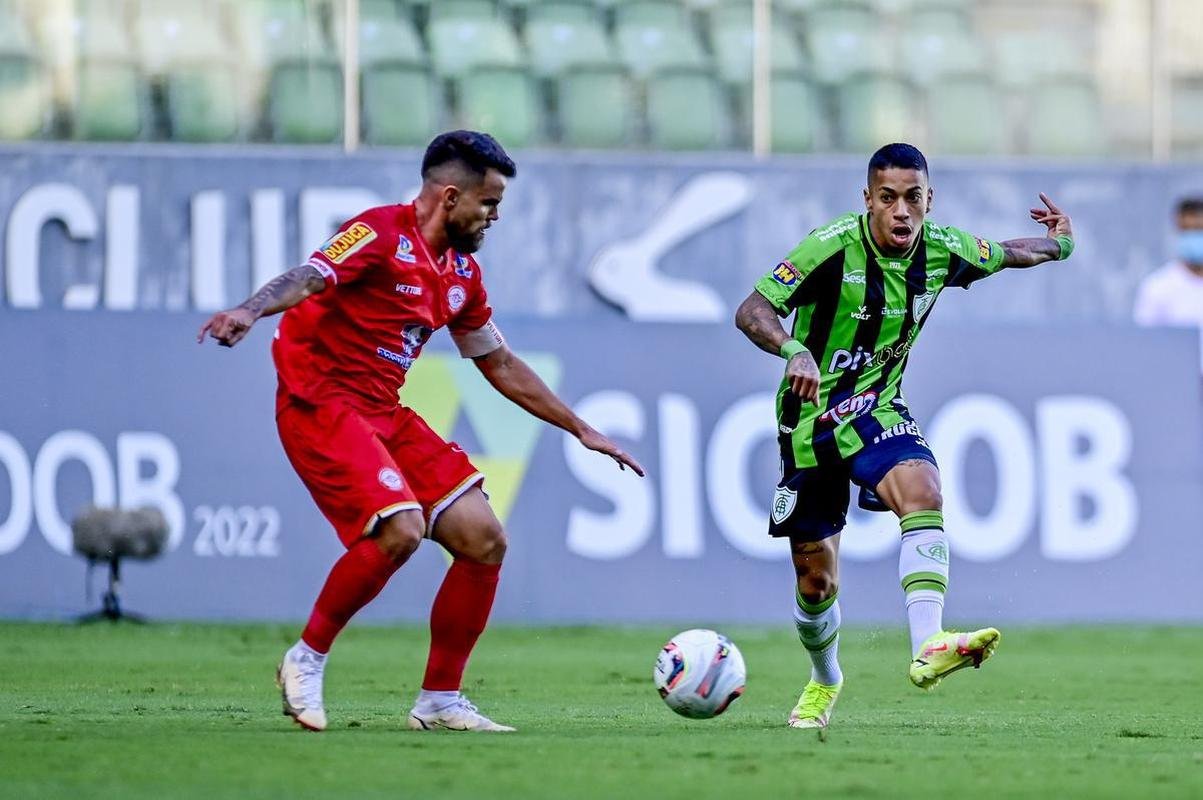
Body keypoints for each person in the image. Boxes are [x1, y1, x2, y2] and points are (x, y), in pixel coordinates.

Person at [198, 130, 644, 733]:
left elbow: (501, 364)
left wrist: (580, 428)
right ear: (451, 196)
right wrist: (250, 309)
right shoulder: (379, 232)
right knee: (400, 530)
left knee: (484, 539)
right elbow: (309, 276)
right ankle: (304, 659)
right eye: (489, 203)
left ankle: (439, 701)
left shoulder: (461, 274)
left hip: (382, 408)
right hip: (320, 400)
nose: (495, 216)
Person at [734, 142, 1074, 731]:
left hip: (877, 410)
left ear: (928, 200)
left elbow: (1011, 253)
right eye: (887, 198)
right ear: (867, 199)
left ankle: (929, 643)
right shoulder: (830, 246)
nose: (901, 212)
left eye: (912, 198)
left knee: (924, 491)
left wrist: (1060, 244)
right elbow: (753, 309)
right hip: (810, 420)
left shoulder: (943, 249)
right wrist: (793, 349)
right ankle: (825, 677)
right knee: (816, 580)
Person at [1133, 197, 1203, 371]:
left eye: (1200, 230)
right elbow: (1145, 346)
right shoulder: (1158, 288)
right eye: (1187, 231)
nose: (1194, 238)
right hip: (1179, 384)